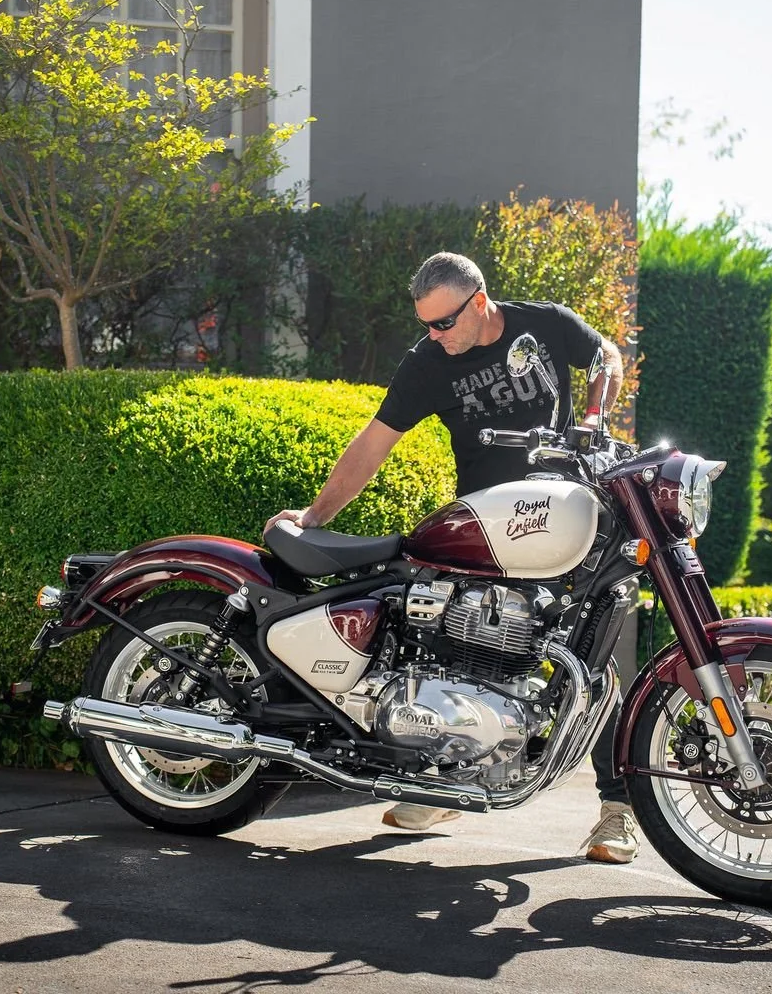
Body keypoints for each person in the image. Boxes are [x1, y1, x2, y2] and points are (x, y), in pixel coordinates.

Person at [264, 252, 639, 864]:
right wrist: (313, 518)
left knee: (591, 658)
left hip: (567, 514)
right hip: (492, 527)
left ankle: (617, 811)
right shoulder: (429, 363)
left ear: (480, 302)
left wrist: (594, 418)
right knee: (462, 648)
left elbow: (607, 357)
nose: (433, 336)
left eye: (443, 323)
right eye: (425, 325)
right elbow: (374, 443)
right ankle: (449, 777)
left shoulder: (543, 325)